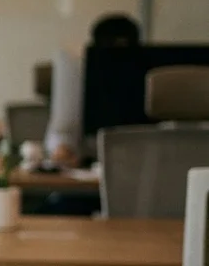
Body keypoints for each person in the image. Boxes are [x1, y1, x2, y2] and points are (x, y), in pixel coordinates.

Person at [43, 13, 142, 168]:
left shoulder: (146, 74)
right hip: (87, 161)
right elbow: (63, 131)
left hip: (140, 159)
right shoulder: (78, 70)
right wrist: (63, 149)